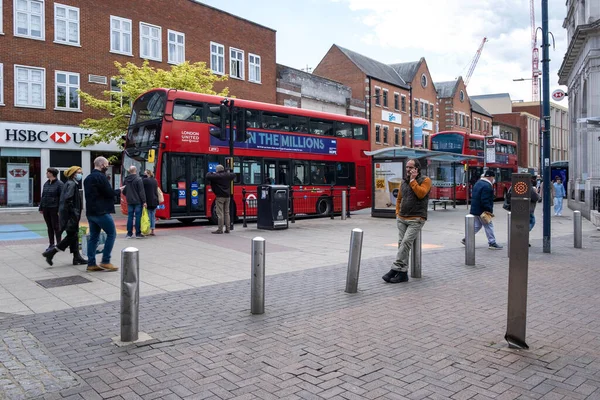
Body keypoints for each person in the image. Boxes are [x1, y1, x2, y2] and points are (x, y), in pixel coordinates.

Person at [382, 159, 431, 284]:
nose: (408, 170)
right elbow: (399, 198)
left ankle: (395, 269)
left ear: (417, 169)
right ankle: (403, 273)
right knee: (401, 244)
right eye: (407, 167)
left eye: (411, 167)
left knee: (405, 243)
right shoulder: (403, 182)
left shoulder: (425, 180)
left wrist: (413, 181)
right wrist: (397, 212)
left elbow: (421, 194)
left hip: (416, 218)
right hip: (402, 218)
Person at [42, 166, 87, 266]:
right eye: (79, 172)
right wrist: (74, 214)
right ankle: (51, 253)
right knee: (71, 236)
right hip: (71, 216)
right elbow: (68, 199)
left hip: (69, 216)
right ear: (73, 174)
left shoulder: (69, 183)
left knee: (74, 236)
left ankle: (76, 257)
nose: (80, 174)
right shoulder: (71, 184)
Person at [83, 157, 119, 272]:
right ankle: (105, 261)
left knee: (93, 237)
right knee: (112, 233)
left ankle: (91, 263)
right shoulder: (101, 177)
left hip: (91, 212)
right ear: (102, 164)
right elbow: (109, 193)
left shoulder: (88, 178)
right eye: (106, 165)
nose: (107, 167)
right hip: (101, 211)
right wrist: (120, 191)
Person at [462, 170, 503, 250]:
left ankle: (466, 239)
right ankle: (492, 243)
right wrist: (489, 211)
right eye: (493, 177)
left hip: (475, 209)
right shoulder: (487, 186)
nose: (493, 179)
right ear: (491, 177)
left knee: (477, 225)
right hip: (483, 211)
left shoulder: (478, 183)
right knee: (489, 226)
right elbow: (485, 200)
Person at [39, 167, 64, 251]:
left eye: (47, 172)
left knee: (56, 226)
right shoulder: (46, 183)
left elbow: (62, 198)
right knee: (49, 226)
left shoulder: (60, 184)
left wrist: (60, 210)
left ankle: (59, 244)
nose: (46, 174)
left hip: (54, 208)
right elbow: (43, 196)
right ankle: (51, 244)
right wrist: (41, 207)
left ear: (51, 173)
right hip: (46, 208)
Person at [205, 164, 235, 234]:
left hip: (220, 197)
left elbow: (208, 176)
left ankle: (220, 229)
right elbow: (233, 174)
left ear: (217, 170)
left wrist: (212, 172)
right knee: (227, 213)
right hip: (227, 197)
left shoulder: (216, 176)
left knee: (220, 213)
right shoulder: (227, 176)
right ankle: (228, 229)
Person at [122, 166, 147, 239]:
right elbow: (141, 192)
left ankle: (129, 233)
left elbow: (123, 190)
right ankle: (138, 233)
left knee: (130, 217)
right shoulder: (138, 179)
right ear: (136, 171)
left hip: (129, 201)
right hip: (138, 201)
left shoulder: (126, 179)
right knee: (138, 217)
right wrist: (144, 201)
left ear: (129, 171)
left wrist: (128, 195)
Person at [142, 169, 159, 235]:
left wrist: (144, 176)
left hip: (148, 201)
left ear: (147, 174)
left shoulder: (145, 180)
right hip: (154, 200)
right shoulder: (155, 180)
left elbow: (142, 180)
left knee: (148, 216)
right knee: (153, 216)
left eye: (145, 173)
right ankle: (153, 230)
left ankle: (148, 230)